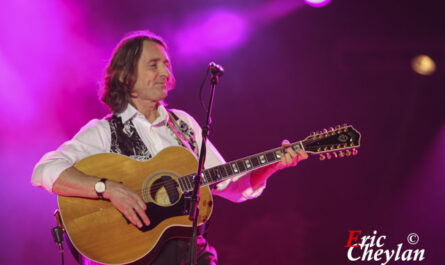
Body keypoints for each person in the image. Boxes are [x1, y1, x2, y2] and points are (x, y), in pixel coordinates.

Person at [31, 30, 308, 265]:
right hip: (134, 255)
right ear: (126, 76)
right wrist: (108, 188)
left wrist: (271, 166)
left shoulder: (183, 124)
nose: (165, 72)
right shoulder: (104, 131)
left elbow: (231, 185)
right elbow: (44, 171)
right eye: (154, 65)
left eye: (166, 64)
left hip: (190, 253)